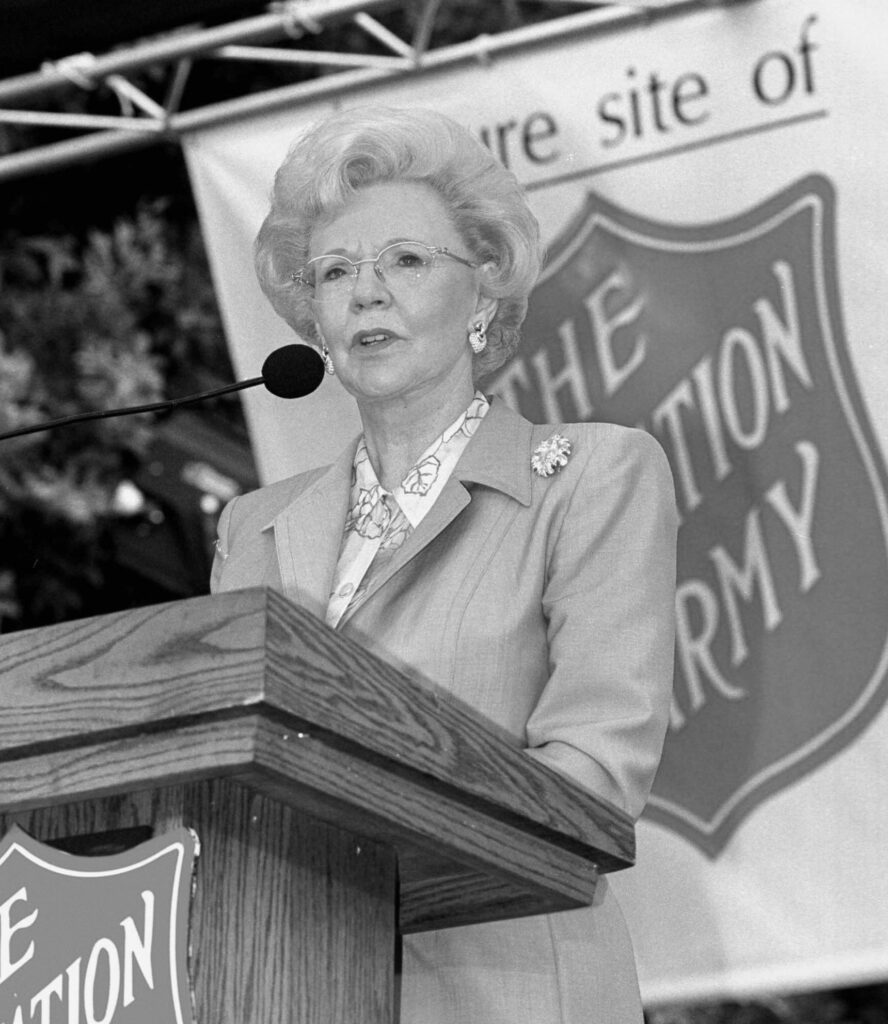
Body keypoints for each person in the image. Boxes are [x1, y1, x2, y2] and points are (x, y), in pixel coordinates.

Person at [211, 105, 677, 1024]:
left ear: (486, 294)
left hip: (509, 984)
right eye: (336, 272)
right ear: (315, 319)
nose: (366, 292)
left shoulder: (591, 477)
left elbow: (594, 770)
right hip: (293, 983)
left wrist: (371, 833)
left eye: (407, 261)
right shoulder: (254, 527)